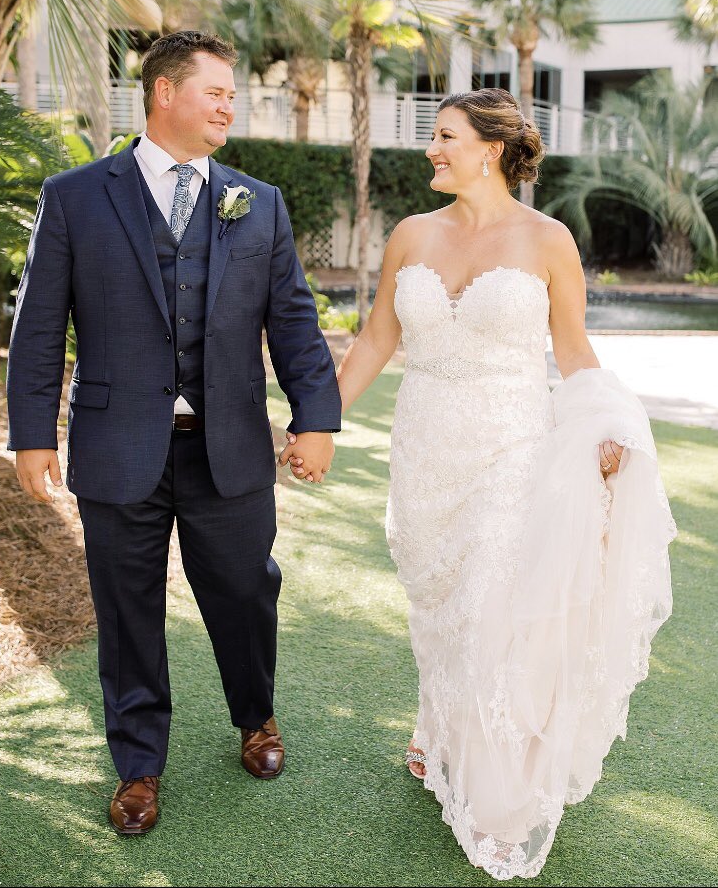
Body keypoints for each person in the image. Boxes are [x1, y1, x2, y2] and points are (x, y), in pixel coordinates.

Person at [282, 88, 676, 879]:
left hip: (512, 451)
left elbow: (572, 352)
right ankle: (439, 733)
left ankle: (501, 798)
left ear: (490, 148)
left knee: (493, 611)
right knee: (440, 608)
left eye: (444, 135)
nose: (431, 148)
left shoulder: (547, 240)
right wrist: (314, 425)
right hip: (424, 456)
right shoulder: (410, 235)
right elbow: (371, 345)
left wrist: (603, 424)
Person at [7, 31, 340, 835]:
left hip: (228, 445)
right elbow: (40, 323)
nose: (231, 103)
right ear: (164, 93)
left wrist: (316, 416)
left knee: (245, 590)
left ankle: (254, 716)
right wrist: (32, 432)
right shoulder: (77, 194)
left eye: (233, 93)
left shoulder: (257, 201)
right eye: (217, 90)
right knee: (125, 610)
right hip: (117, 444)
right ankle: (138, 766)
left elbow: (292, 319)